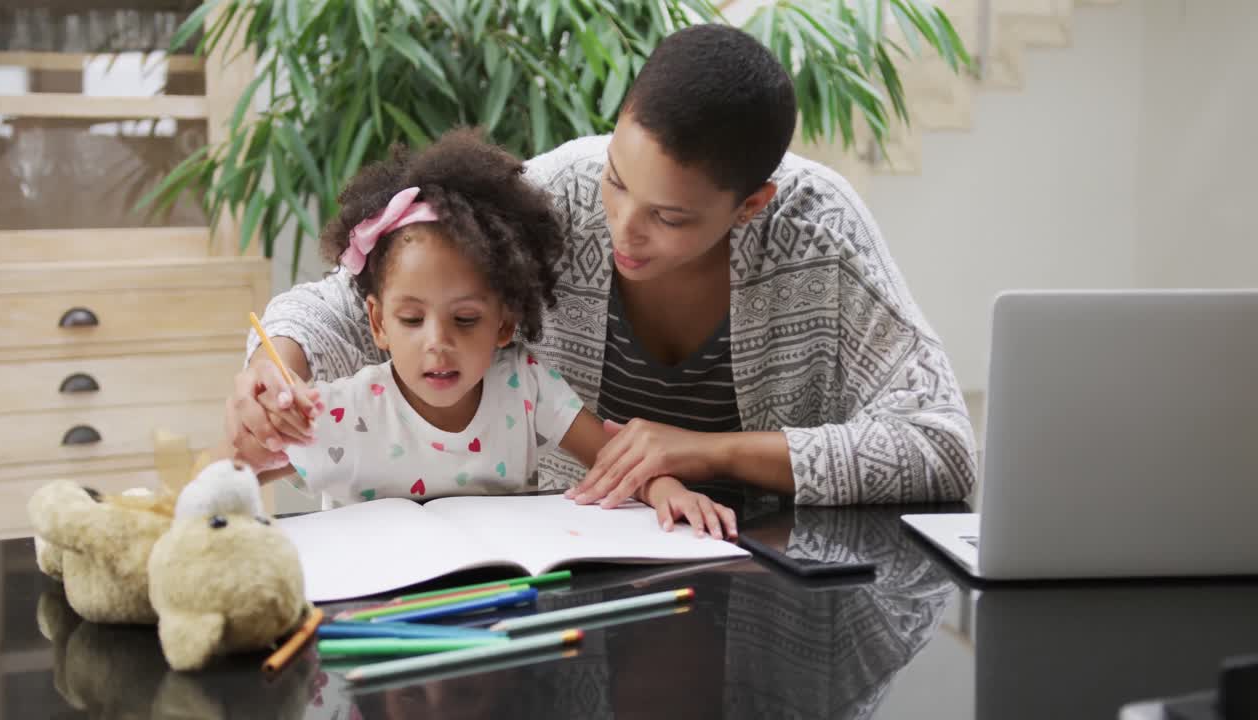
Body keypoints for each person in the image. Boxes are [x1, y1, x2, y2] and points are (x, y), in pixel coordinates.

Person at [226, 24, 976, 508]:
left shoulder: (819, 230)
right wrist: (275, 363)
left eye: (670, 217)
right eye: (620, 178)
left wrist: (714, 453)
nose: (623, 225)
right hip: (580, 557)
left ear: (750, 206)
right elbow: (363, 297)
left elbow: (941, 444)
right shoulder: (564, 193)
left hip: (772, 573)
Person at [250, 130, 737, 538]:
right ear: (378, 322)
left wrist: (664, 490)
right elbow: (244, 469)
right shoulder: (341, 411)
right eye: (412, 320)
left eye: (465, 320)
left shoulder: (527, 389)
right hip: (377, 615)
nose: (436, 342)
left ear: (504, 323)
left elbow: (614, 460)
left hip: (501, 603)